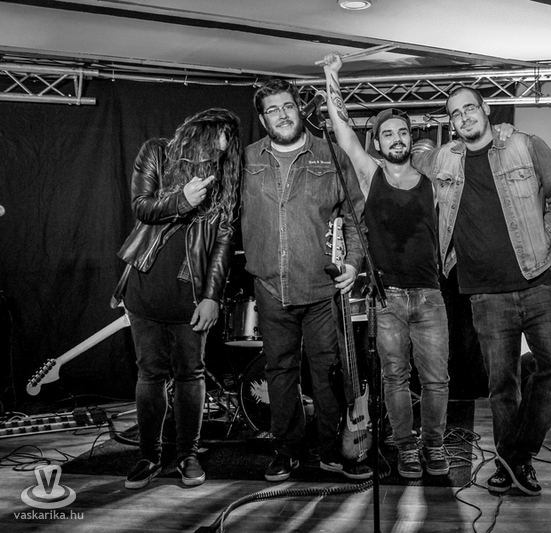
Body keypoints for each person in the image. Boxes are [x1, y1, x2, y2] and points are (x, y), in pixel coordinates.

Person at [411, 87, 551, 496]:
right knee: (502, 386)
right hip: (485, 294)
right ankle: (513, 464)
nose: (464, 117)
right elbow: (414, 158)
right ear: (451, 123)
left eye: (470, 108)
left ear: (485, 109)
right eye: (455, 114)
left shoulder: (525, 145)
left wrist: (548, 231)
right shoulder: (446, 159)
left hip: (539, 279)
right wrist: (414, 146)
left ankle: (515, 454)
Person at [321, 52, 450, 479]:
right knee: (395, 378)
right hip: (387, 297)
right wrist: (331, 76)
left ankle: (434, 446)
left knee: (436, 380)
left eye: (403, 132)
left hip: (430, 295)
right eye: (388, 134)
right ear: (377, 143)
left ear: (411, 139)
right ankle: (406, 448)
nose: (397, 139)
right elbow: (343, 131)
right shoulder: (371, 175)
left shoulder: (432, 181)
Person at [241, 77, 371, 482]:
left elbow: (355, 217)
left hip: (321, 287)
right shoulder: (246, 160)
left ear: (299, 108)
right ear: (263, 119)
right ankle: (287, 451)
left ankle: (331, 451)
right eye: (272, 110)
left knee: (327, 372)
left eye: (287, 106)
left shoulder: (329, 155)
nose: (282, 115)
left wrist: (353, 264)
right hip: (270, 286)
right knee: (280, 372)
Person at [111, 108, 241, 490]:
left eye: (225, 147)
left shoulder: (223, 180)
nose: (219, 151)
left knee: (190, 375)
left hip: (192, 295)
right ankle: (148, 455)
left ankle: (188, 454)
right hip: (146, 289)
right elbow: (142, 206)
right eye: (215, 141)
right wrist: (182, 200)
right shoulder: (157, 153)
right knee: (150, 373)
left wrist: (213, 296)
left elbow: (223, 242)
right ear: (198, 135)